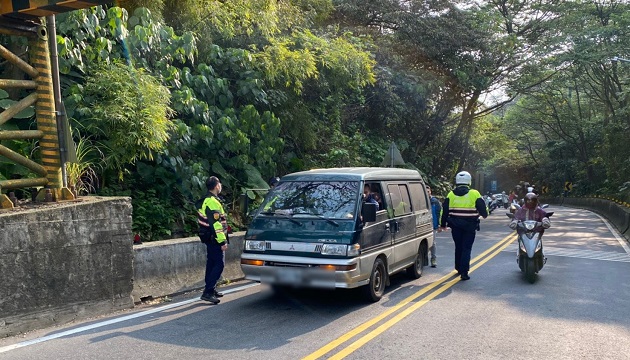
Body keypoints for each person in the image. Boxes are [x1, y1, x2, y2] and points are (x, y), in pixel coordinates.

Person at [440, 171, 488, 280]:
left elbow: (445, 211)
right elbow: (483, 211)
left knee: (458, 246)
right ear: (469, 181)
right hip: (470, 226)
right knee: (467, 248)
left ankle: (458, 267)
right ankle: (464, 272)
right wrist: (484, 215)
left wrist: (443, 224)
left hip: (455, 226)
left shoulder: (450, 194)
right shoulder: (475, 194)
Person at [196, 176, 229, 304]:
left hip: (209, 236)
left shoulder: (208, 199)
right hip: (214, 237)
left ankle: (211, 288)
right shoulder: (212, 202)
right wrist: (222, 241)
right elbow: (216, 224)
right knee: (219, 264)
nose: (220, 186)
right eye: (219, 183)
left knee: (211, 263)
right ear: (216, 186)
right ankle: (208, 292)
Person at [509, 192, 550, 258]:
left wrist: (545, 221)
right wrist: (514, 222)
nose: (530, 202)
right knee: (520, 239)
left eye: (532, 200)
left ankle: (541, 253)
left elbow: (544, 216)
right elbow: (516, 217)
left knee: (539, 241)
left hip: (536, 231)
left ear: (535, 201)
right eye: (528, 200)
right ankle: (520, 252)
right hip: (523, 231)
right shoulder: (521, 210)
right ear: (525, 201)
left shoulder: (539, 210)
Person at [426, 185, 442, 268]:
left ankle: (433, 258)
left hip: (433, 225)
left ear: (430, 191)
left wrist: (439, 225)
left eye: (428, 191)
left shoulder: (435, 201)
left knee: (432, 243)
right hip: (423, 225)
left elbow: (438, 213)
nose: (427, 193)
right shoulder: (421, 201)